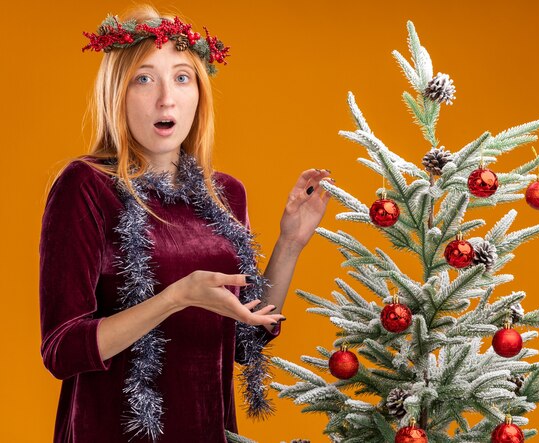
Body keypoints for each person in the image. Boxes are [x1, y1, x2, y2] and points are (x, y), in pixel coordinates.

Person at [38, 5, 332, 443]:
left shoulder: (225, 193)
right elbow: (61, 351)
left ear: (199, 92)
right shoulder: (85, 187)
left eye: (181, 77)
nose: (166, 98)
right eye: (144, 78)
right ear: (116, 91)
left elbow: (242, 339)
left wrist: (290, 241)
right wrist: (175, 298)